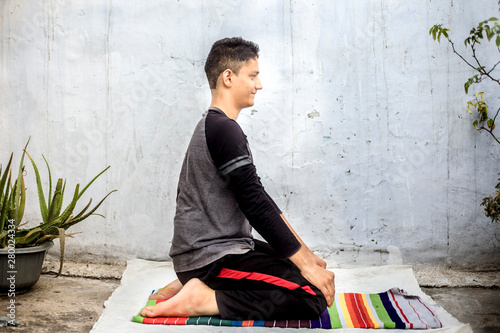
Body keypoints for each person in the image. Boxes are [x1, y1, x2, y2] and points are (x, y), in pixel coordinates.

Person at [141, 37, 335, 321]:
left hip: (223, 249)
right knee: (310, 294)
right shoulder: (222, 130)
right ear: (228, 77)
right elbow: (254, 203)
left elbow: (259, 196)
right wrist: (305, 266)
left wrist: (305, 255)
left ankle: (192, 282)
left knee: (306, 270)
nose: (259, 85)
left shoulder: (218, 126)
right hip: (211, 256)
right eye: (253, 75)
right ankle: (203, 298)